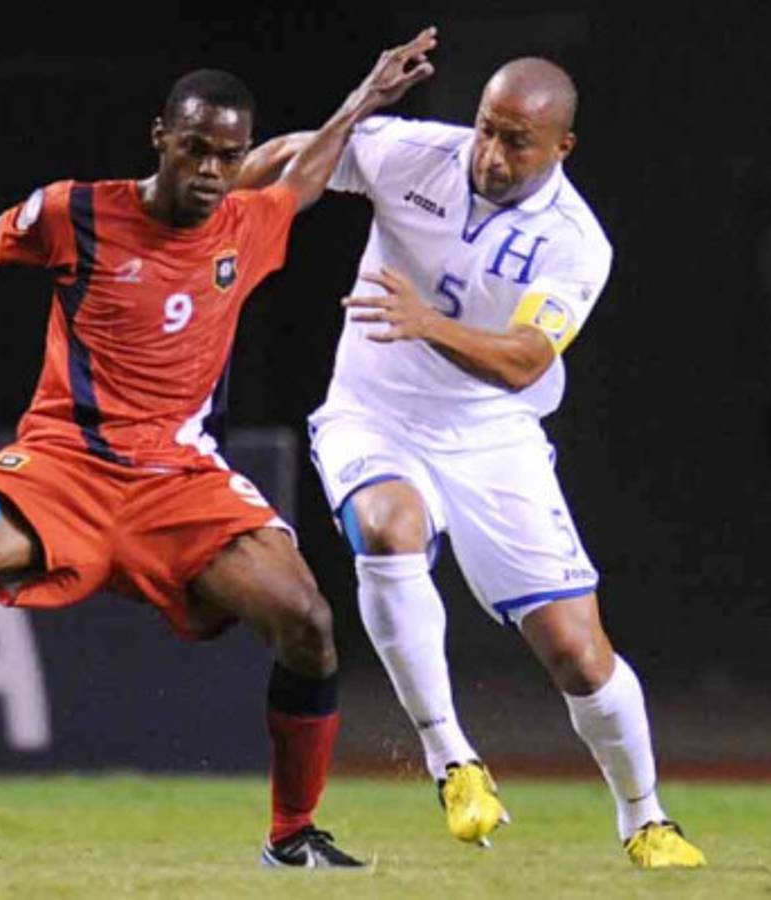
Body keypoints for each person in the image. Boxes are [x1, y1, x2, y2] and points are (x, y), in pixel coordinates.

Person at [0, 27, 438, 869]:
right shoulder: (76, 211)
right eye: (195, 150)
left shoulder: (247, 225)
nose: (211, 171)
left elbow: (305, 175)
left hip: (181, 481)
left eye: (227, 155)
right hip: (63, 464)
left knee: (307, 623)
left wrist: (365, 95)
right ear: (161, 138)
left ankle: (292, 836)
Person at [301, 57, 706, 868]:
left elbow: (524, 359)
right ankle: (451, 759)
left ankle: (644, 817)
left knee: (577, 654)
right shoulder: (414, 152)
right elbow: (288, 171)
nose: (490, 153)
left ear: (562, 146)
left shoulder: (575, 242)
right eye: (487, 128)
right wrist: (352, 107)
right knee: (387, 528)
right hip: (371, 414)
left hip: (492, 436)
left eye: (517, 142)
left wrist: (427, 323)